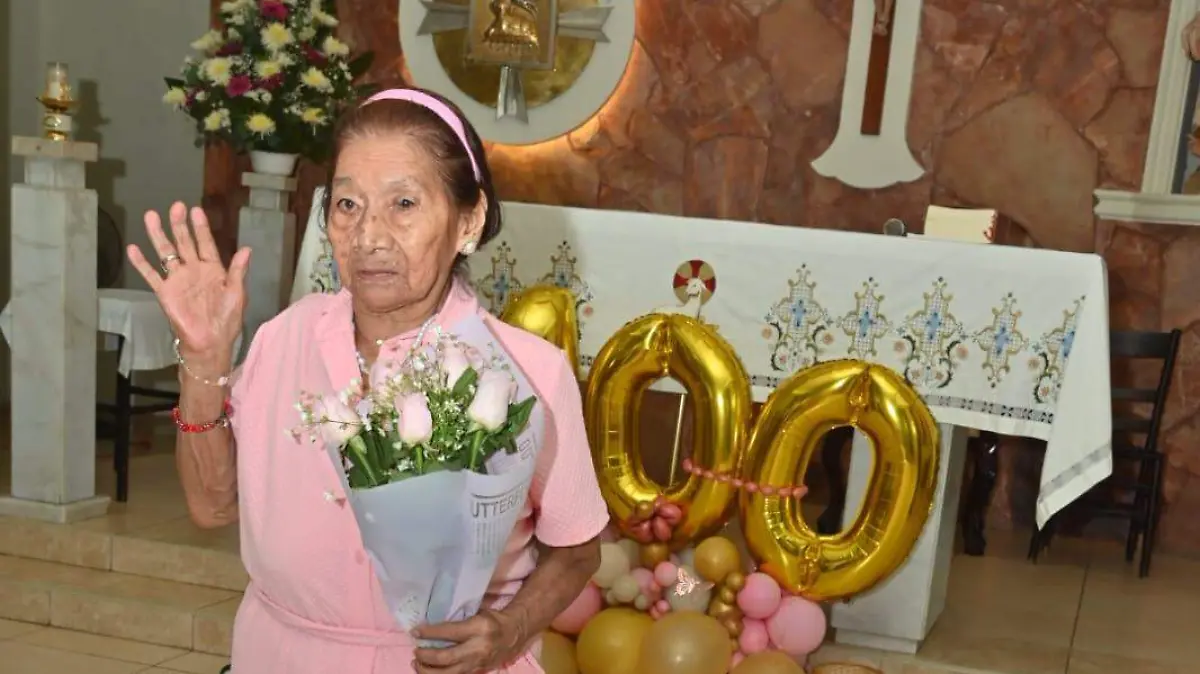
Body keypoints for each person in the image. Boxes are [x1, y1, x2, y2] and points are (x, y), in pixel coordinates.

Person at [126, 88, 608, 673]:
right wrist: (205, 365)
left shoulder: (528, 372)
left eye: (403, 203)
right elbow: (211, 507)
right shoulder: (286, 338)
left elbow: (577, 550)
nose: (369, 235)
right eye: (348, 205)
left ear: (469, 220)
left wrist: (511, 630)